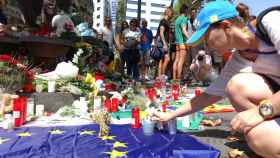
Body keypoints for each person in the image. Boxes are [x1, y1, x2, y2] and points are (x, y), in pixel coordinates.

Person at [152, 1, 280, 158]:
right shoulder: (239, 57)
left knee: (261, 140)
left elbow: (261, 110)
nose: (206, 46)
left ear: (225, 26)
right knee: (255, 133)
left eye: (206, 37)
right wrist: (170, 115)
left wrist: (260, 112)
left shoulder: (272, 22)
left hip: (270, 107)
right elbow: (208, 95)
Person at [173, 4, 190, 80]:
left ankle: (174, 78)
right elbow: (184, 30)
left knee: (176, 60)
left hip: (177, 42)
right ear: (185, 10)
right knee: (181, 61)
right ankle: (179, 78)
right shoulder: (184, 18)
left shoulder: (177, 19)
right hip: (182, 43)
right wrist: (190, 38)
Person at [156, 7, 174, 78]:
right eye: (172, 14)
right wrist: (164, 44)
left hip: (162, 42)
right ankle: (162, 77)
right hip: (162, 42)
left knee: (161, 60)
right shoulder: (163, 21)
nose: (172, 15)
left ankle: (159, 77)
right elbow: (161, 32)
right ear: (168, 13)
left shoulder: (166, 21)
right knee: (167, 59)